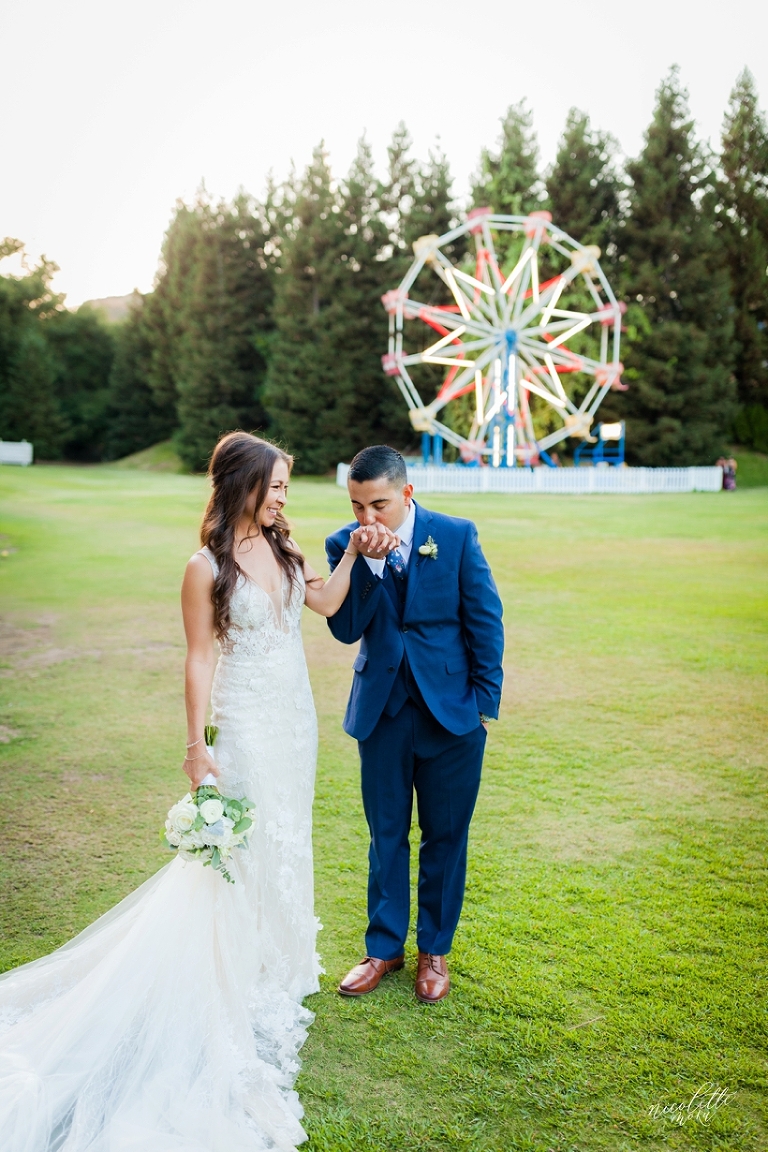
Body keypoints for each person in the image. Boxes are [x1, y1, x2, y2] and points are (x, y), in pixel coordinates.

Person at [0, 431, 397, 1152]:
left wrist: (352, 557)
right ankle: (230, 970)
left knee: (285, 834)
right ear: (242, 485)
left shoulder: (286, 549)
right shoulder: (204, 567)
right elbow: (197, 658)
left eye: (285, 486)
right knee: (240, 846)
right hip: (243, 722)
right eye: (275, 485)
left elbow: (330, 604)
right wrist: (196, 749)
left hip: (294, 723)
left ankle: (279, 960)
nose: (283, 497)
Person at [326, 445, 504, 1003]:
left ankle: (435, 951)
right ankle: (383, 949)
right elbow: (346, 628)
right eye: (357, 506)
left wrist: (482, 706)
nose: (366, 519)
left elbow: (485, 620)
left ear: (405, 492)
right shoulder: (345, 546)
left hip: (452, 716)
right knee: (385, 836)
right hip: (381, 713)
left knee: (446, 838)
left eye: (377, 504)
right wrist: (368, 562)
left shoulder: (454, 535)